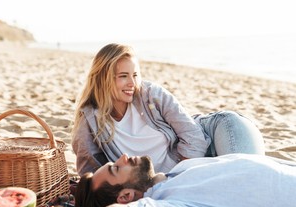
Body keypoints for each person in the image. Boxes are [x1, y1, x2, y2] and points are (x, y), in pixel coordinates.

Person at [72, 43, 265, 176]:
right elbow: (91, 173)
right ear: (103, 78)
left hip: (220, 133)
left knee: (248, 179)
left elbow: (195, 137)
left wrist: (173, 179)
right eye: (123, 76)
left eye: (135, 75)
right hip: (194, 173)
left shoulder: (151, 95)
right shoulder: (90, 120)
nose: (132, 83)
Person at [75, 153, 296, 207]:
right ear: (125, 197)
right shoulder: (172, 206)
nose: (123, 157)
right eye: (116, 168)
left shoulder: (177, 172)